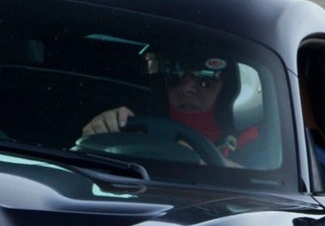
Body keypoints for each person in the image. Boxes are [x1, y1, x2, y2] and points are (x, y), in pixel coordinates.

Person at [80, 54, 259, 163]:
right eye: (175, 76)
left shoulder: (250, 138)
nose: (186, 89)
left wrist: (199, 159)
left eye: (205, 79)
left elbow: (263, 193)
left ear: (226, 88)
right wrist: (100, 135)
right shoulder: (133, 125)